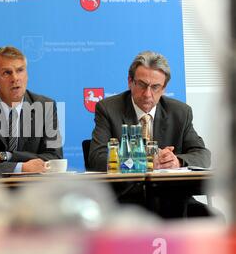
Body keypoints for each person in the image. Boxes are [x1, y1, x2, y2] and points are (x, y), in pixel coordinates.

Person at [89, 50, 212, 218]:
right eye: (141, 85)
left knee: (210, 217)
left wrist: (177, 161)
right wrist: (146, 162)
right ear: (130, 82)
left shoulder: (180, 112)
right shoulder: (108, 109)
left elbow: (202, 155)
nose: (148, 94)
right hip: (124, 199)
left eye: (155, 87)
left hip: (172, 199)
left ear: (164, 88)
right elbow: (97, 158)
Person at [0, 46, 63, 174]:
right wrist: (21, 168)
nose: (15, 78)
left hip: (33, 189)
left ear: (27, 74)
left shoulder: (45, 106)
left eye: (20, 70)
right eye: (7, 73)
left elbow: (55, 158)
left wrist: (6, 156)